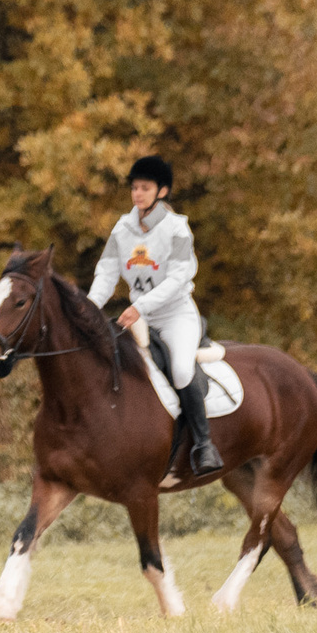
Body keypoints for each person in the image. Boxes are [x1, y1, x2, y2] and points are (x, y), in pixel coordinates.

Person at [88, 154, 219, 482]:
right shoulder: (122, 228)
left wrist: (140, 307)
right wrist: (88, 308)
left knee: (180, 370)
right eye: (134, 188)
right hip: (137, 318)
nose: (137, 194)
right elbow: (106, 273)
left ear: (161, 191)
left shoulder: (177, 229)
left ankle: (204, 445)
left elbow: (178, 279)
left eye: (144, 188)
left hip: (175, 316)